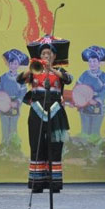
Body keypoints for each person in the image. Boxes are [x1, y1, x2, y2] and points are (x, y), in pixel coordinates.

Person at [18, 35, 72, 193]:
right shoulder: (34, 70)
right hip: (37, 109)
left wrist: (51, 69)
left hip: (55, 110)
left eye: (49, 53)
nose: (46, 56)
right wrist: (32, 67)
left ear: (54, 56)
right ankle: (37, 182)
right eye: (43, 53)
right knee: (37, 144)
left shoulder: (59, 71)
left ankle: (54, 183)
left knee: (55, 146)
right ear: (39, 56)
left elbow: (68, 79)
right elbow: (20, 79)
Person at [0, 49, 28, 158]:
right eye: (11, 63)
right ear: (8, 64)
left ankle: (14, 149)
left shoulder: (21, 79)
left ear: (18, 65)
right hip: (3, 105)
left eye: (15, 63)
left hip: (15, 105)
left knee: (13, 127)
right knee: (5, 126)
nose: (13, 66)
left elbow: (23, 92)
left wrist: (18, 102)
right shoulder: (3, 78)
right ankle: (4, 149)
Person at [76, 46, 105, 137]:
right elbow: (77, 87)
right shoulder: (84, 74)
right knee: (85, 129)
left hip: (98, 106)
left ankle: (95, 143)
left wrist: (96, 100)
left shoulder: (104, 76)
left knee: (95, 131)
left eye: (94, 61)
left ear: (99, 63)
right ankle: (83, 144)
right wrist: (80, 99)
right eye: (90, 61)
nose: (92, 64)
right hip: (85, 105)